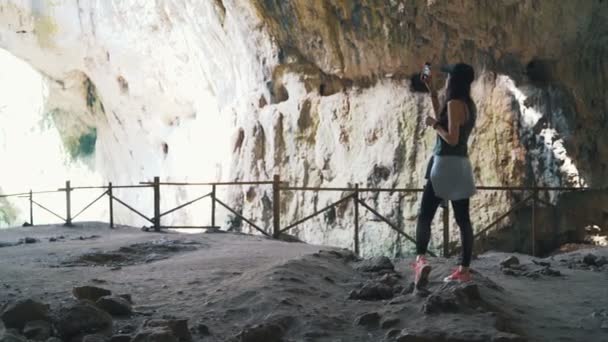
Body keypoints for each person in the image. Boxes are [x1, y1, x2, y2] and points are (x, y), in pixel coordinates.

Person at [413, 63, 477, 285]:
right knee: (463, 220)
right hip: (461, 166)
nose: (447, 79)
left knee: (425, 215)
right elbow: (448, 119)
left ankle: (420, 260)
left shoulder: (453, 103)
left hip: (443, 165)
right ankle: (464, 270)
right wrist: (431, 91)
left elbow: (451, 138)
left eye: (449, 76)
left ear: (454, 80)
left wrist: (433, 125)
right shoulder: (468, 105)